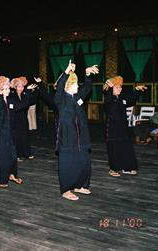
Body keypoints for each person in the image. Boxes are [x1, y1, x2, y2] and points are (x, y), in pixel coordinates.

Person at [54, 60, 99, 201]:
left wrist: (87, 74)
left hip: (81, 137)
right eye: (74, 84)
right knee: (68, 163)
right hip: (67, 138)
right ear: (68, 85)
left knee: (84, 161)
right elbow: (60, 86)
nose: (77, 86)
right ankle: (66, 189)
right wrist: (66, 73)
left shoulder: (77, 98)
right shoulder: (61, 99)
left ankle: (80, 185)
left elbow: (87, 87)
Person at [0, 76, 37, 188]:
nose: (7, 90)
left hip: (10, 132)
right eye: (5, 89)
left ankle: (12, 174)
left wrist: (27, 91)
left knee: (12, 155)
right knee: (2, 158)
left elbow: (22, 105)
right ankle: (1, 180)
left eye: (7, 88)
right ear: (0, 90)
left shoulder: (10, 100)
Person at [104, 76, 147, 177]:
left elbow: (131, 100)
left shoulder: (121, 99)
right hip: (112, 129)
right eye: (117, 87)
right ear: (111, 89)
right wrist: (110, 88)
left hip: (123, 127)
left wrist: (136, 90)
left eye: (120, 87)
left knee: (126, 147)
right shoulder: (108, 100)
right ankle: (113, 169)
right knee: (114, 148)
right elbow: (109, 98)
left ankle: (127, 168)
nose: (120, 89)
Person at [10, 76, 37, 161]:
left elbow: (31, 101)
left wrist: (32, 91)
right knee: (17, 138)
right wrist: (27, 91)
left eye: (22, 86)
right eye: (19, 86)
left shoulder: (25, 95)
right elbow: (20, 106)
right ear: (15, 87)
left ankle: (27, 153)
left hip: (24, 119)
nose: (21, 88)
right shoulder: (12, 96)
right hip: (15, 120)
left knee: (25, 136)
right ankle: (17, 155)